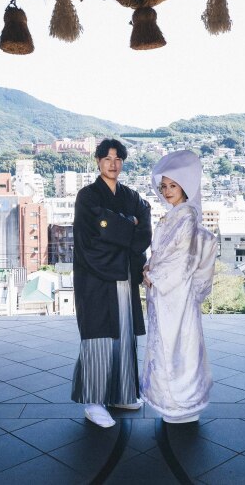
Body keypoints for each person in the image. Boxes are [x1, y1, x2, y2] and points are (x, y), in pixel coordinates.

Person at [71, 138, 152, 428]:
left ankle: (123, 394)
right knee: (99, 339)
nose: (113, 164)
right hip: (96, 278)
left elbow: (144, 227)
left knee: (125, 335)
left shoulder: (131, 196)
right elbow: (90, 241)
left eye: (118, 159)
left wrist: (118, 227)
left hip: (123, 277)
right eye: (107, 158)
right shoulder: (87, 196)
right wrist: (126, 228)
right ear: (97, 160)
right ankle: (94, 402)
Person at [140, 150, 217, 423]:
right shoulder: (173, 216)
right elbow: (162, 255)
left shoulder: (186, 217)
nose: (167, 191)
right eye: (164, 186)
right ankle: (172, 402)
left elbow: (182, 259)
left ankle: (182, 403)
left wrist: (154, 276)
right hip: (167, 294)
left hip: (177, 293)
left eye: (173, 186)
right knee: (170, 345)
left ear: (184, 187)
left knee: (179, 346)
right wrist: (150, 267)